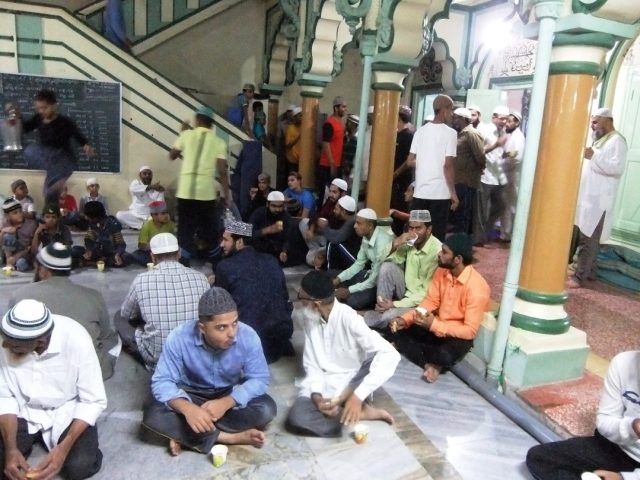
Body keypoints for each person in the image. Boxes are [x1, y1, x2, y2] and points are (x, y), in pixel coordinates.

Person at [141, 287, 277, 455]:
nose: (232, 333)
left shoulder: (248, 336)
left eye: (234, 323)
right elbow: (162, 381)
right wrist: (188, 409)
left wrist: (227, 402)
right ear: (202, 328)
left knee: (266, 409)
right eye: (222, 327)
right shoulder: (179, 337)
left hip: (228, 392)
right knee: (152, 412)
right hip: (191, 393)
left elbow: (259, 378)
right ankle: (227, 437)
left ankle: (184, 432)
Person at [0, 299, 107, 480]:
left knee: (80, 466)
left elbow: (92, 401)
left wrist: (63, 450)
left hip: (66, 409)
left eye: (16, 347)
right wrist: (11, 449)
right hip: (22, 408)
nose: (5, 347)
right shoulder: (7, 339)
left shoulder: (77, 338)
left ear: (41, 342)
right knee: (5, 464)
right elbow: (4, 397)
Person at [285, 271, 400, 437]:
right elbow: (312, 363)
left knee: (376, 359)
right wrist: (317, 396)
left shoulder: (349, 319)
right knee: (296, 418)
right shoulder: (309, 317)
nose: (299, 301)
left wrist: (358, 396)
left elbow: (391, 354)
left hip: (351, 383)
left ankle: (353, 406)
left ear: (316, 303)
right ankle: (358, 413)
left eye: (301, 297)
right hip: (324, 382)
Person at [389, 233, 490, 383]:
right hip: (435, 327)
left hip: (456, 336)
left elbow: (469, 331)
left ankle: (424, 357)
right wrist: (405, 320)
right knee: (398, 329)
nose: (439, 254)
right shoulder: (442, 271)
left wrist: (434, 325)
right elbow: (430, 301)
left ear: (458, 259)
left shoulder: (477, 288)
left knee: (444, 355)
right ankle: (430, 365)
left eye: (444, 252)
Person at [10, 242, 120, 380]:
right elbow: (105, 336)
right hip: (87, 375)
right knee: (112, 339)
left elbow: (12, 338)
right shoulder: (93, 296)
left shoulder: (20, 295)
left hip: (36, 376)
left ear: (43, 270)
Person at [526, 350, 640, 480]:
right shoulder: (624, 363)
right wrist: (633, 427)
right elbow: (606, 421)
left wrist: (623, 478)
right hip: (617, 449)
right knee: (541, 458)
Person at [116, 233, 209, 370]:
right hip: (194, 356)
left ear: (152, 257)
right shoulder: (201, 278)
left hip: (157, 358)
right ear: (179, 254)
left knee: (119, 317)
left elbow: (127, 314)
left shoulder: (142, 280)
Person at [215, 221, 294, 363]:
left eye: (226, 240)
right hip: (278, 339)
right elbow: (285, 298)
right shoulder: (271, 260)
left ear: (239, 242)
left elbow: (220, 308)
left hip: (248, 345)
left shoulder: (225, 267)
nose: (221, 244)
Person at [570, 107, 627, 288]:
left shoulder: (617, 141)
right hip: (590, 197)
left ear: (607, 120)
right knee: (587, 237)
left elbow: (617, 168)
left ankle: (580, 277)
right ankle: (590, 272)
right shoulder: (601, 140)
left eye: (595, 122)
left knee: (589, 239)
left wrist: (593, 157)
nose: (592, 126)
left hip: (600, 200)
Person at [169, 106, 229, 266]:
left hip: (185, 192)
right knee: (211, 230)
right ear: (212, 124)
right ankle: (217, 266)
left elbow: (172, 156)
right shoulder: (218, 142)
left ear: (197, 119)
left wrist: (182, 133)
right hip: (206, 193)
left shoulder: (186, 135)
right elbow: (222, 171)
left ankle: (183, 266)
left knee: (185, 230)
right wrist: (227, 195)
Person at [364, 210, 441, 329]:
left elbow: (426, 293)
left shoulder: (437, 252)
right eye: (411, 228)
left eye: (418, 228)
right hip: (406, 292)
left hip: (422, 302)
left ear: (429, 230)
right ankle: (381, 308)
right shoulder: (410, 242)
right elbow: (381, 261)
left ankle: (364, 316)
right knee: (387, 267)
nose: (413, 233)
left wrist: (394, 304)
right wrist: (396, 243)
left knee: (389, 315)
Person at [19, 90, 95, 205]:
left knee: (32, 150)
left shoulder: (65, 122)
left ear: (54, 105)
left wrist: (85, 145)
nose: (41, 111)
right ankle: (55, 203)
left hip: (64, 159)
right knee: (48, 195)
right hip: (52, 164)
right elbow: (25, 128)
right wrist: (18, 117)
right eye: (39, 108)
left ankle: (62, 176)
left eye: (45, 108)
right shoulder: (38, 118)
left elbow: (77, 134)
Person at [404, 94, 459, 241]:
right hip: (440, 194)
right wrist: (453, 194)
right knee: (436, 237)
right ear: (444, 110)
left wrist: (426, 163)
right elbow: (448, 166)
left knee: (416, 234)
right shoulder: (451, 134)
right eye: (451, 110)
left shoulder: (420, 132)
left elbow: (409, 161)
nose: (452, 114)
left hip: (420, 193)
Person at [333, 208, 395, 310]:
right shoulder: (366, 236)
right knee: (339, 277)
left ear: (370, 226)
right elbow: (359, 264)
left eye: (359, 223)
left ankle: (373, 303)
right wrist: (338, 279)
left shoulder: (383, 241)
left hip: (383, 282)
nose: (354, 226)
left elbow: (375, 278)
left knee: (352, 302)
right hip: (372, 274)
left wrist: (349, 290)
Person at [450, 107, 486, 236]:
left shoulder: (471, 134)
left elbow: (480, 156)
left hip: (467, 180)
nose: (453, 120)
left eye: (455, 118)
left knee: (465, 213)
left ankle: (463, 240)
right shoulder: (461, 133)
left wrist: (477, 170)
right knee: (459, 213)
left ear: (463, 119)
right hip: (459, 178)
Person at [478, 105, 510, 244]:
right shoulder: (484, 130)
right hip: (485, 176)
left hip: (498, 178)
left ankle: (485, 232)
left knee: (500, 206)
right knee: (482, 210)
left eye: (506, 119)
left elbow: (498, 154)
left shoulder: (503, 132)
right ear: (494, 117)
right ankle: (479, 238)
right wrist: (496, 144)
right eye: (502, 119)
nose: (504, 122)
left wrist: (506, 154)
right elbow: (478, 151)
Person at [301, 178, 348, 267]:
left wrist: (326, 225)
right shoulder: (330, 201)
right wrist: (311, 229)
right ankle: (317, 251)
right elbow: (317, 215)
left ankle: (320, 255)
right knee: (303, 223)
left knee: (309, 258)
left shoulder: (346, 208)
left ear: (343, 194)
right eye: (330, 191)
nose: (330, 195)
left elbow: (339, 234)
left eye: (334, 192)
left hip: (334, 241)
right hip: (323, 236)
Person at [500, 111, 526, 242]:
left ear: (517, 123)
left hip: (512, 175)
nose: (507, 123)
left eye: (510, 121)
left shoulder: (519, 137)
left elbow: (517, 156)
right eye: (507, 121)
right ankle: (505, 232)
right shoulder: (510, 135)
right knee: (505, 205)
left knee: (511, 206)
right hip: (506, 173)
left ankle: (509, 234)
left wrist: (505, 157)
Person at [249, 191, 293, 265]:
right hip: (258, 250)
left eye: (280, 206)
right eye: (274, 206)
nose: (277, 209)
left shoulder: (286, 217)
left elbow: (288, 238)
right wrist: (267, 230)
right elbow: (248, 233)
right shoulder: (258, 213)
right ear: (267, 204)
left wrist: (284, 251)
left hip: (277, 252)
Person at [79, 200, 127, 267]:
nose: (87, 218)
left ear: (96, 217)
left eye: (88, 216)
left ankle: (94, 263)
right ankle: (100, 262)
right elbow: (89, 240)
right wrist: (89, 250)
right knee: (77, 250)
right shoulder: (92, 225)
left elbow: (121, 244)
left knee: (126, 257)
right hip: (97, 253)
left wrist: (117, 254)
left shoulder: (113, 224)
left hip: (111, 253)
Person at [129, 200, 176, 266]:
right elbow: (141, 246)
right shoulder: (147, 225)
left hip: (167, 251)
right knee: (137, 254)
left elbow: (175, 241)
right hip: (152, 252)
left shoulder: (170, 224)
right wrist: (155, 245)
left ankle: (160, 261)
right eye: (163, 213)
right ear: (154, 216)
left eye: (167, 213)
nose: (166, 216)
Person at [318, 96, 347, 194]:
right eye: (343, 107)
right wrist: (331, 163)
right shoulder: (329, 123)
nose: (345, 109)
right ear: (336, 108)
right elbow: (326, 143)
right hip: (328, 165)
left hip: (337, 163)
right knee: (326, 192)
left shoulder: (340, 123)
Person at [324, 195, 362, 271]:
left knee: (333, 243)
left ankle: (330, 273)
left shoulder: (352, 221)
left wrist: (325, 227)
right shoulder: (341, 220)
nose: (334, 211)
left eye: (336, 209)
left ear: (343, 211)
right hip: (350, 256)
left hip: (358, 263)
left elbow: (336, 239)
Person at [1, 198, 37, 272]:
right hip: (9, 253)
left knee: (21, 264)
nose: (19, 214)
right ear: (7, 216)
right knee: (8, 235)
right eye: (15, 213)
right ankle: (9, 262)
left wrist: (16, 257)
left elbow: (30, 248)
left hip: (24, 253)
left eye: (20, 211)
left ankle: (12, 263)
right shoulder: (5, 223)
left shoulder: (31, 225)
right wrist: (3, 231)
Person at [391, 106, 415, 212]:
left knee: (399, 205)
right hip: (394, 179)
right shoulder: (396, 135)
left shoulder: (408, 136)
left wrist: (396, 173)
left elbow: (408, 159)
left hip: (401, 180)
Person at [284, 106, 302, 173]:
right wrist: (298, 137)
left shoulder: (304, 127)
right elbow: (288, 145)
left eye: (302, 115)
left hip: (302, 160)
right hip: (292, 161)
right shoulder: (290, 128)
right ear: (294, 117)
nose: (301, 117)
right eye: (299, 116)